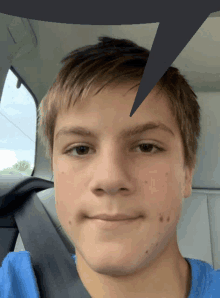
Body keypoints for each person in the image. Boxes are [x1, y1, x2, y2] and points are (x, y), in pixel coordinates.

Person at [1, 36, 220, 298]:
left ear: (187, 172)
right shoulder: (12, 283)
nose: (110, 178)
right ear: (56, 173)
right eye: (80, 149)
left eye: (146, 147)